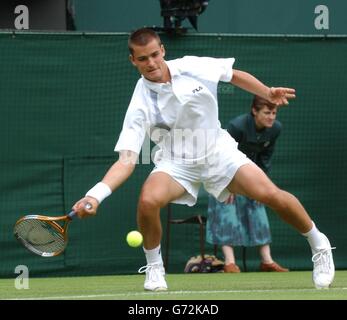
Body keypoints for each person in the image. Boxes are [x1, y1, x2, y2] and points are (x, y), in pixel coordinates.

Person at [72, 28, 335, 291]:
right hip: (176, 163)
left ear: (162, 50)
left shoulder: (191, 66)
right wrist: (95, 195)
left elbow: (232, 76)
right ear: (133, 61)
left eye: (154, 55)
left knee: (271, 195)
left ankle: (319, 244)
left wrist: (266, 92)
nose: (151, 63)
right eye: (143, 59)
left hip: (217, 151)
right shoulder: (140, 102)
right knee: (148, 201)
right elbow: (127, 159)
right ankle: (154, 267)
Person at [206, 96, 289, 273]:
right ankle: (230, 263)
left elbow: (265, 158)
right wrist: (226, 185)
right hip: (223, 172)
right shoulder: (237, 127)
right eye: (267, 112)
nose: (271, 117)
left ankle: (267, 261)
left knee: (259, 207)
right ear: (254, 111)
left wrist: (262, 186)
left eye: (274, 113)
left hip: (250, 173)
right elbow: (220, 155)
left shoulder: (275, 129)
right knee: (226, 209)